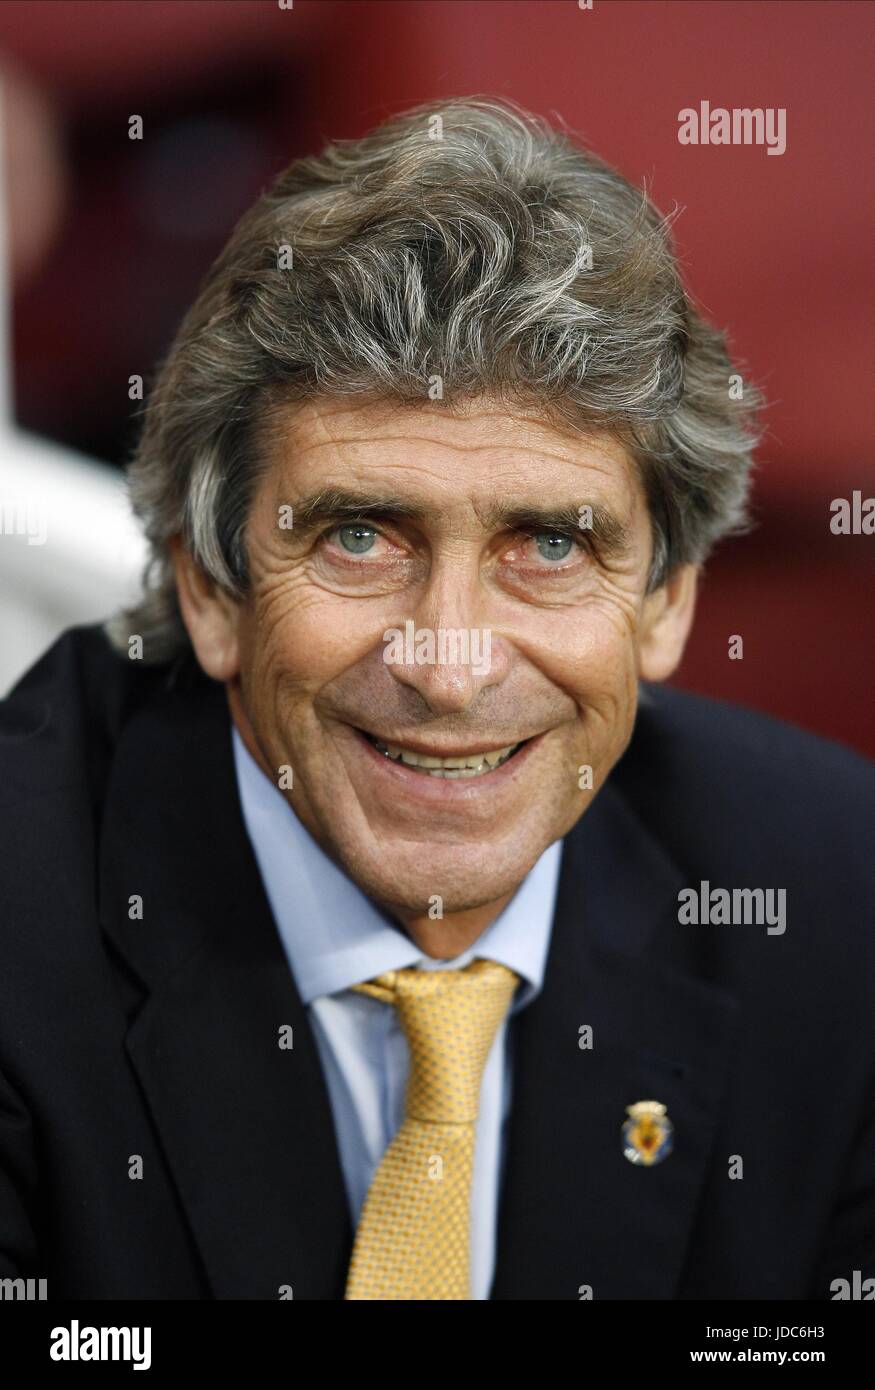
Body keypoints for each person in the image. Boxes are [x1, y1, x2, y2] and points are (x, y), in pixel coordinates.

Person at [1, 98, 873, 1301]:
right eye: (359, 536)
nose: (447, 661)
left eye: (551, 547)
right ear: (210, 591)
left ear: (667, 602)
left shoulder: (835, 900)